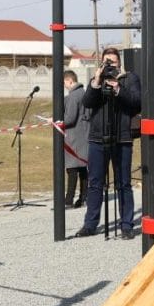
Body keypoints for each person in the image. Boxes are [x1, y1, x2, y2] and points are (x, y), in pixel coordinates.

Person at [76, 47, 141, 239]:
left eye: (113, 61)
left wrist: (118, 88)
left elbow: (137, 102)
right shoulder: (96, 80)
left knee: (123, 183)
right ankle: (90, 224)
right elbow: (87, 103)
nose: (110, 65)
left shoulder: (130, 79)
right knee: (95, 183)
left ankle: (126, 225)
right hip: (98, 138)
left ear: (119, 62)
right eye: (107, 62)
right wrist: (96, 82)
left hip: (121, 138)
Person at [59, 69, 90, 208]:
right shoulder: (83, 93)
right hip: (84, 135)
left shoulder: (72, 97)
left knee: (72, 169)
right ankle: (83, 197)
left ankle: (68, 200)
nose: (64, 86)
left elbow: (70, 118)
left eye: (64, 83)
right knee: (83, 168)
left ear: (69, 81)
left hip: (74, 137)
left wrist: (58, 122)